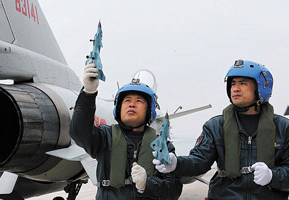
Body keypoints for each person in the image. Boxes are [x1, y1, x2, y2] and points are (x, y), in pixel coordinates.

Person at [153, 60, 289, 199]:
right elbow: (199, 161)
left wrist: (273, 176)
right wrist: (177, 163)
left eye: (242, 83)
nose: (235, 88)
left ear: (261, 87)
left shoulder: (283, 128)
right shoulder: (215, 126)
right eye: (232, 83)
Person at [69, 61, 182, 200]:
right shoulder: (105, 138)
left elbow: (174, 189)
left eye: (139, 101)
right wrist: (88, 93)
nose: (132, 104)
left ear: (149, 110)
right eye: (127, 100)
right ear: (119, 108)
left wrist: (148, 184)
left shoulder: (162, 146)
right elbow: (78, 132)